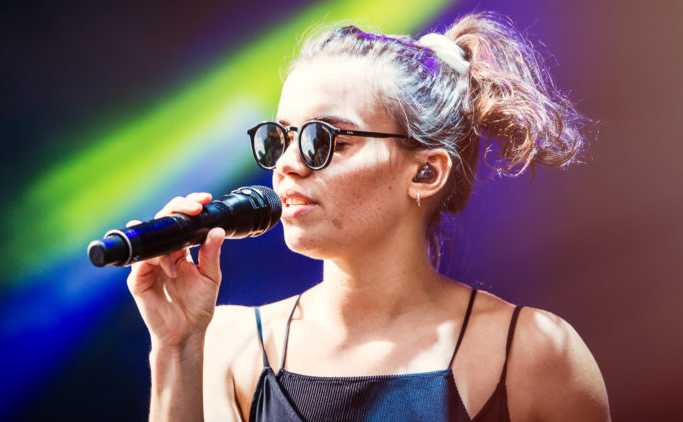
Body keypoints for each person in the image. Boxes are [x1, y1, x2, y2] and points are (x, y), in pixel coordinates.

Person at [126, 12, 611, 422]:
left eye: (323, 140)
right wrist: (176, 347)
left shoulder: (534, 353)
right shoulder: (230, 344)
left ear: (425, 171)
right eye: (280, 138)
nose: (287, 164)